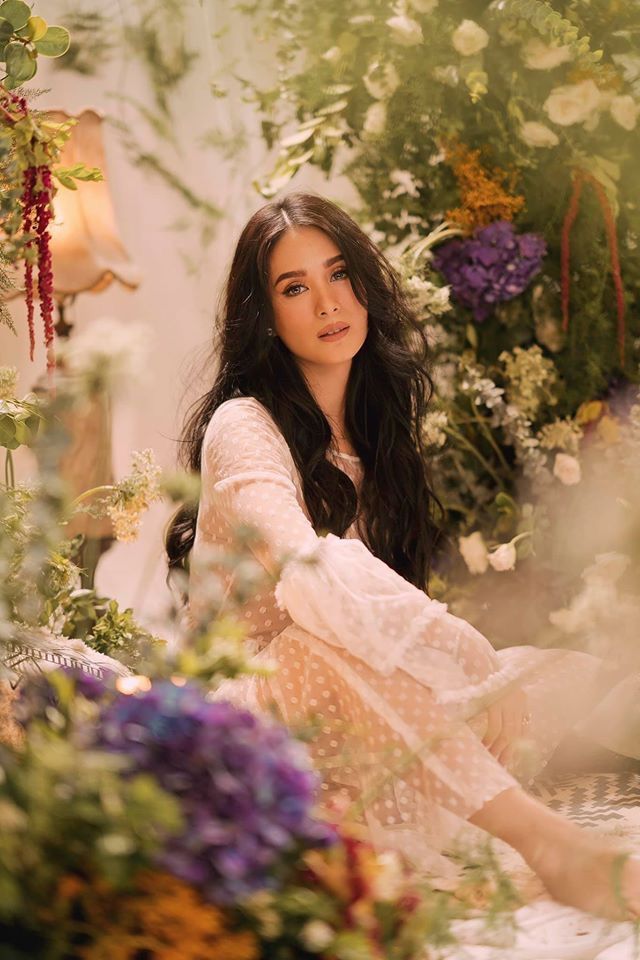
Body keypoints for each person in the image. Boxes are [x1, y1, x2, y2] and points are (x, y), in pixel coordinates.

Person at [166, 192, 640, 920]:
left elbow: (384, 626)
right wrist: (464, 656)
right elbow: (311, 580)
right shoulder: (243, 425)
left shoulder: (370, 435)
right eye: (296, 288)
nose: (328, 303)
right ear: (267, 315)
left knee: (554, 673)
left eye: (339, 275)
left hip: (346, 721)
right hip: (242, 730)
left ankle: (363, 821)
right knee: (316, 647)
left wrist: (476, 679)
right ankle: (548, 845)